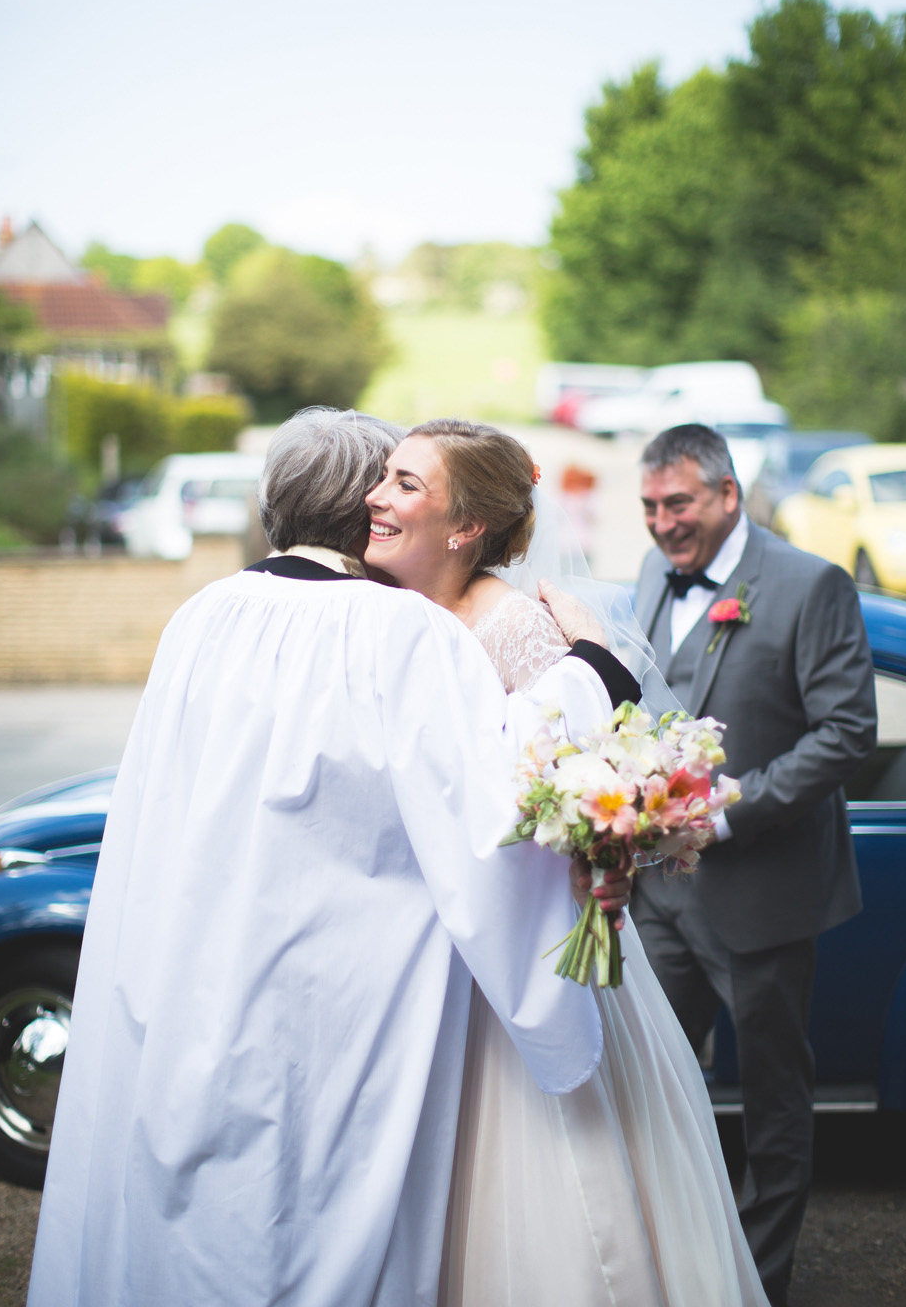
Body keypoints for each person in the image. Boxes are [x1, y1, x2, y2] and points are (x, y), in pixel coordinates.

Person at [27, 408, 637, 1307]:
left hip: (194, 970)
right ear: (361, 506)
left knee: (196, 1211)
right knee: (312, 1215)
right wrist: (592, 672)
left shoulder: (202, 615)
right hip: (337, 999)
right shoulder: (402, 634)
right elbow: (491, 807)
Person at [364, 417, 771, 1307]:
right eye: (383, 477)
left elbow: (579, 776)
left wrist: (602, 852)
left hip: (519, 953)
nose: (374, 497)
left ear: (467, 526)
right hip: (420, 958)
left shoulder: (517, 627)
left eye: (402, 484)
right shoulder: (378, 613)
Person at [630, 423, 877, 1307]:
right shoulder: (650, 579)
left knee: (774, 1105)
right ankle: (671, 1264)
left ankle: (758, 1284)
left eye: (680, 503)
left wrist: (732, 812)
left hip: (764, 895)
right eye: (652, 506)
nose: (663, 523)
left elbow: (848, 731)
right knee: (646, 1082)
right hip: (660, 896)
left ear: (728, 495)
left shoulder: (811, 583)